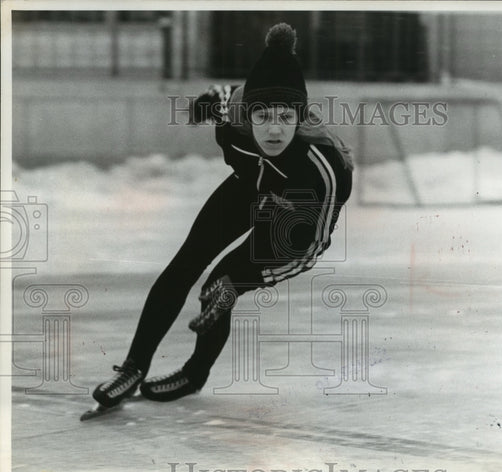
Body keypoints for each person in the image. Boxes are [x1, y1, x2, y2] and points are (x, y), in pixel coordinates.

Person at [93, 23, 353, 406]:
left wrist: (241, 282)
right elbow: (227, 94)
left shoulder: (323, 169)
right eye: (262, 116)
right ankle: (134, 366)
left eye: (286, 117)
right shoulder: (231, 114)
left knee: (218, 285)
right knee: (184, 265)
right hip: (250, 183)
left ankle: (195, 373)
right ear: (246, 115)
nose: (275, 130)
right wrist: (210, 97)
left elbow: (310, 246)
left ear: (302, 119)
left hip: (292, 214)